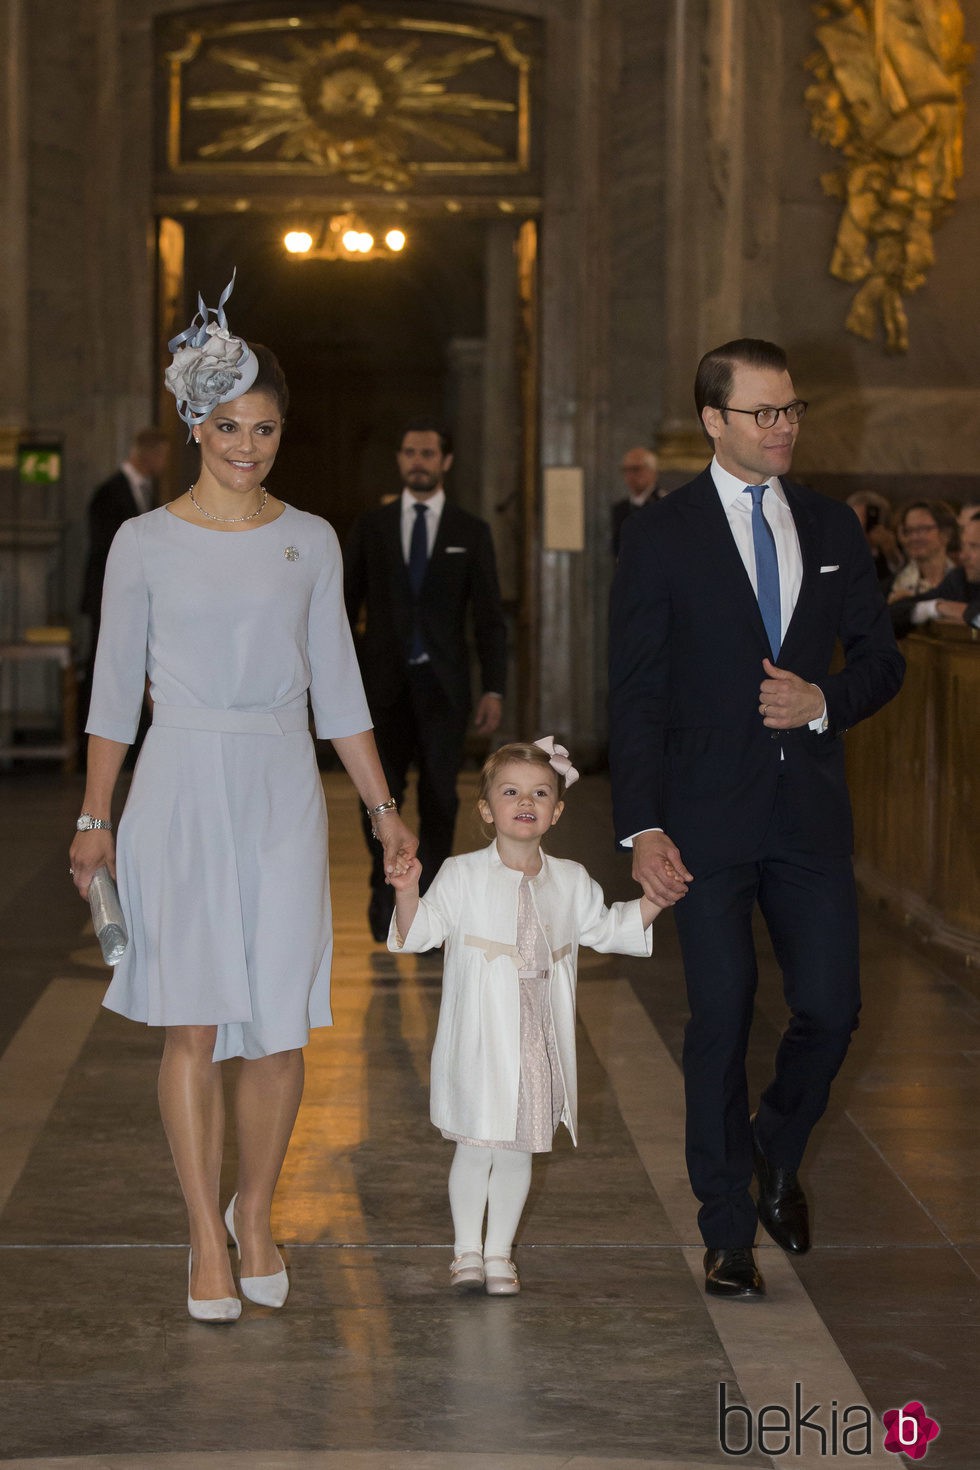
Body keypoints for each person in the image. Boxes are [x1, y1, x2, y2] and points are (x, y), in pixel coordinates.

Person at [69, 276, 416, 1323]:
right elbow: (111, 693)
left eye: (264, 428)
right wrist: (94, 820)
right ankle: (200, 1242)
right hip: (176, 783)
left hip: (277, 790)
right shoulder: (144, 543)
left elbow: (339, 690)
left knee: (276, 1026)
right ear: (194, 422)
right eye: (228, 425)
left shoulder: (310, 538)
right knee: (190, 1019)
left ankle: (254, 1214)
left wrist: (383, 810)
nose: (247, 445)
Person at [608, 338, 905, 1300]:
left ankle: (777, 1148)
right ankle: (726, 1227)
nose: (782, 428)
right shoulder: (661, 534)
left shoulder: (828, 526)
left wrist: (822, 699)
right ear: (713, 421)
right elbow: (637, 690)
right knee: (721, 1017)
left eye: (790, 411)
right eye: (762, 413)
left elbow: (882, 659)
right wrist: (642, 827)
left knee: (831, 1008)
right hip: (701, 819)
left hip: (809, 815)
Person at [388, 738, 658, 1295]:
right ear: (487, 809)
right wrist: (407, 889)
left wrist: (656, 899)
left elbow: (609, 928)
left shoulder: (571, 879)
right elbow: (418, 935)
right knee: (476, 1145)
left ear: (556, 811)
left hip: (537, 1039)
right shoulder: (462, 875)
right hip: (480, 1038)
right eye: (510, 792)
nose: (525, 801)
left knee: (517, 1149)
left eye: (540, 793)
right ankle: (465, 1250)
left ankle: (499, 1254)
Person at [344, 421, 508, 941]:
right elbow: (343, 611)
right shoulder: (371, 528)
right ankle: (382, 886)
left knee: (441, 795)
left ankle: (431, 899)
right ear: (399, 458)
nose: (419, 460)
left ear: (446, 461)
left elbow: (488, 618)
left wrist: (494, 687)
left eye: (428, 453)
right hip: (381, 688)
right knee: (380, 794)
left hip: (444, 688)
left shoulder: (470, 530)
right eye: (410, 451)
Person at [79, 427, 170, 733]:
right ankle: (90, 738)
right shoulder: (109, 493)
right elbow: (105, 551)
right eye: (163, 455)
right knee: (105, 665)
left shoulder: (146, 491)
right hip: (110, 594)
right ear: (151, 454)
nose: (165, 463)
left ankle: (135, 737)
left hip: (138, 595)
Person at [890, 510, 980, 636]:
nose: (963, 556)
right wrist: (935, 607)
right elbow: (893, 613)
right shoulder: (959, 579)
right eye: (963, 546)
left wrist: (965, 612)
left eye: (974, 546)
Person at [887, 500, 957, 599]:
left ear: (946, 533)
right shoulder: (889, 589)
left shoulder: (967, 582)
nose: (914, 537)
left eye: (923, 529)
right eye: (909, 531)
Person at [845, 489, 904, 587]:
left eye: (867, 518)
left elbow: (903, 575)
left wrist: (891, 552)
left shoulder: (896, 545)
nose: (862, 523)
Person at [612, 446, 663, 556]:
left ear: (652, 471)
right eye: (626, 470)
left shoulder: (664, 504)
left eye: (636, 469)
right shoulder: (621, 508)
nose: (630, 475)